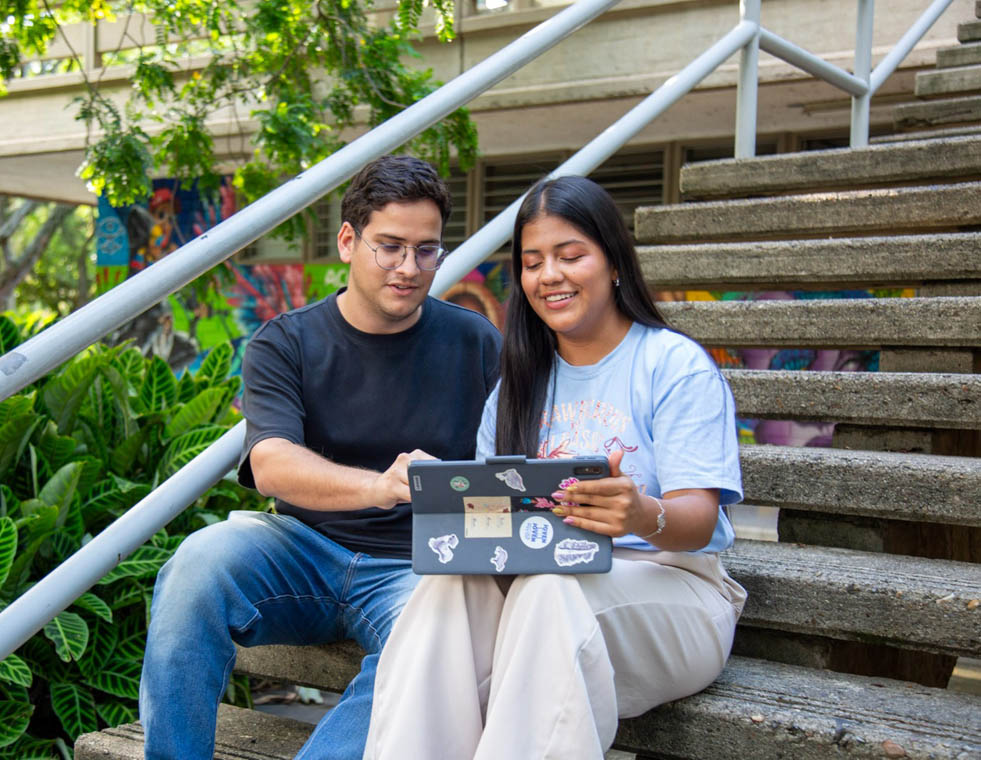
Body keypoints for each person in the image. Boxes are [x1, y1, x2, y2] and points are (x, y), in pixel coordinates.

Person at [363, 176, 747, 760]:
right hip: (542, 589)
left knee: (547, 592)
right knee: (444, 587)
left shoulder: (673, 366)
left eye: (571, 256)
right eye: (533, 261)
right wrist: (451, 500)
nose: (550, 276)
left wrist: (640, 512)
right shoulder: (518, 385)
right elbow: (499, 528)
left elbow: (698, 523)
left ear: (613, 261)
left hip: (673, 590)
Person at [139, 155, 502, 760]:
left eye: (427, 250)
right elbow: (273, 464)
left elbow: (505, 465)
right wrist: (381, 486)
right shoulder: (286, 341)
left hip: (419, 568)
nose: (409, 268)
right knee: (196, 563)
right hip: (300, 552)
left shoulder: (476, 341)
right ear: (347, 241)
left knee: (434, 637)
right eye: (389, 247)